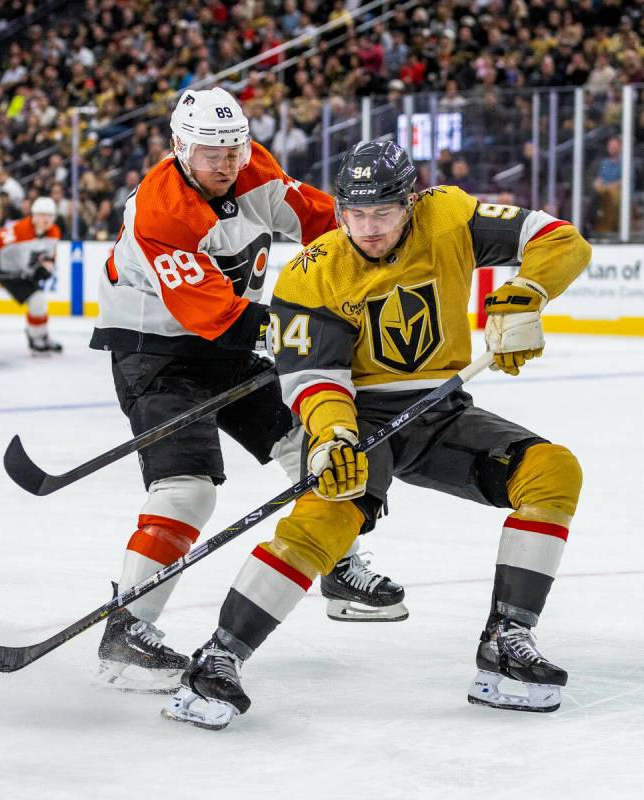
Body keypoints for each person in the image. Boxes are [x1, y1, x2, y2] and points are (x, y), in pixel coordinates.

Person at [164, 139, 592, 729]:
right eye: (354, 214)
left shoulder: (449, 218)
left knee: (553, 471)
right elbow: (314, 377)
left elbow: (560, 239)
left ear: (410, 203)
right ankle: (218, 660)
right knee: (329, 514)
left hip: (439, 409)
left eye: (382, 214)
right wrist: (335, 438)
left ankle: (506, 645)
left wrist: (527, 293)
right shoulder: (314, 272)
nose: (367, 228)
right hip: (358, 418)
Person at [89, 89, 407, 695]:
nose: (226, 162)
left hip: (228, 345)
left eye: (233, 147)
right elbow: (221, 316)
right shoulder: (161, 210)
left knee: (317, 446)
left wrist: (381, 247)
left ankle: (336, 565)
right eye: (210, 150)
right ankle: (128, 629)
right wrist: (311, 326)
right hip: (155, 352)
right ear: (179, 147)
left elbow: (322, 223)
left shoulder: (252, 165)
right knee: (187, 492)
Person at [0, 196, 62, 353]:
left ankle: (41, 336)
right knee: (37, 301)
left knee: (39, 304)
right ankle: (37, 338)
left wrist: (46, 269)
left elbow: (49, 256)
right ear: (33, 215)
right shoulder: (19, 230)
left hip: (25, 272)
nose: (45, 219)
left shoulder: (54, 232)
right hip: (9, 273)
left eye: (49, 215)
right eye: (41, 215)